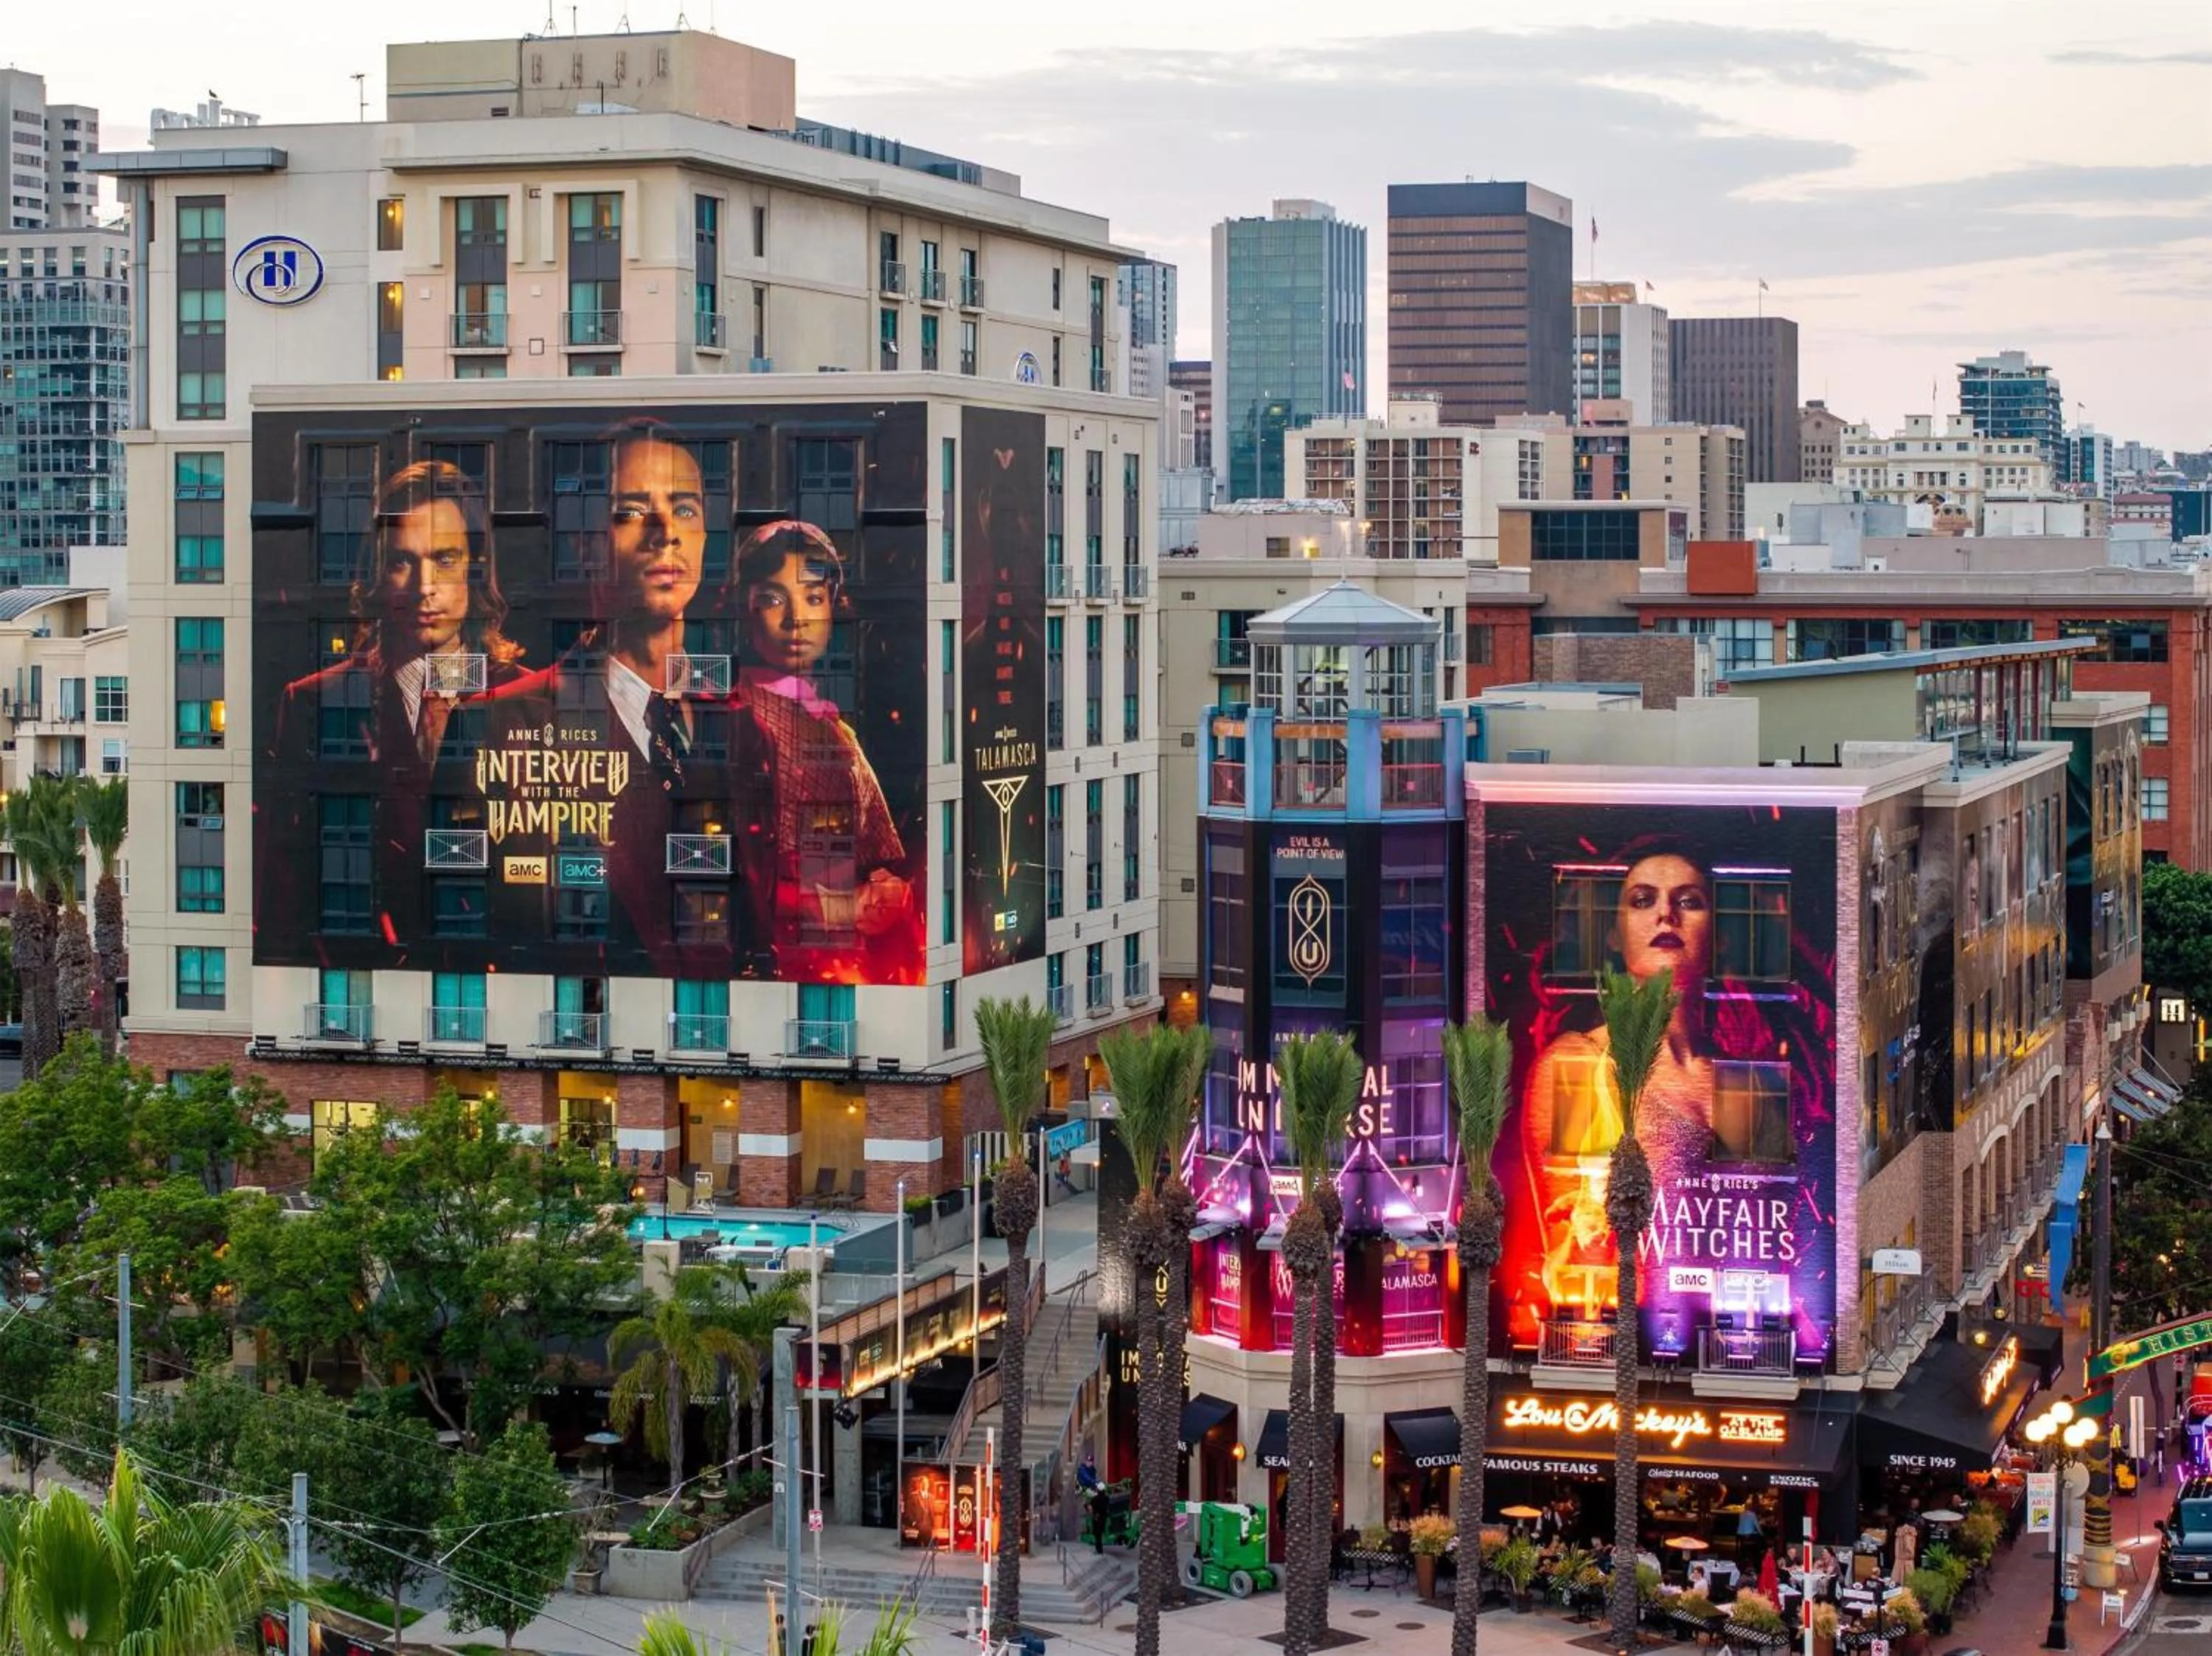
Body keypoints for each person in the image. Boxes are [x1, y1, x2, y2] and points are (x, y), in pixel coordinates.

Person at [484, 422, 727, 974]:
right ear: (585, 540)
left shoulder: (742, 712)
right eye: (634, 512)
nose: (665, 532)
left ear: (708, 536)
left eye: (685, 509)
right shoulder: (513, 712)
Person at [262, 459, 526, 952]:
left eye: (445, 559)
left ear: (476, 569)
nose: (424, 586)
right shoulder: (310, 700)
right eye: (404, 561)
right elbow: (282, 887)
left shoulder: (533, 698)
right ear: (379, 575)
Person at [728, 518, 922, 984]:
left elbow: (877, 851)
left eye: (814, 598)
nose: (798, 619)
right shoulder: (738, 715)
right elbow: (738, 868)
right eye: (775, 599)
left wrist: (888, 892)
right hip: (781, 965)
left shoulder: (832, 724)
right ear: (746, 608)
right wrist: (839, 906)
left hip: (853, 964)